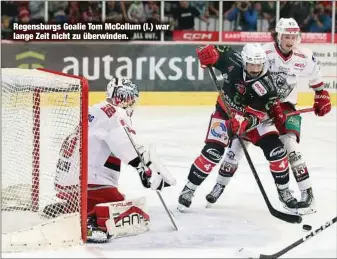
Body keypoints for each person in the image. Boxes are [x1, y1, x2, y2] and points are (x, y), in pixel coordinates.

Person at [207, 18, 331, 215]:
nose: (290, 40)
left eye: (294, 36)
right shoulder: (262, 52)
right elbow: (241, 70)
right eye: (286, 36)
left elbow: (316, 76)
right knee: (237, 146)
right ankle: (219, 185)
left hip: (287, 107)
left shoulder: (305, 56)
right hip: (257, 107)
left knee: (291, 146)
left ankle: (306, 192)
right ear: (278, 36)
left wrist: (321, 95)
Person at [50, 78, 176, 243]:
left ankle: (71, 207)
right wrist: (145, 171)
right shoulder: (115, 114)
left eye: (130, 97)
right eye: (126, 97)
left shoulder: (96, 109)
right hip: (88, 184)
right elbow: (126, 145)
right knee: (122, 206)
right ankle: (88, 220)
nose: (129, 101)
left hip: (67, 182)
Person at [177, 43, 297, 212]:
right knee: (213, 152)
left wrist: (244, 122)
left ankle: (284, 192)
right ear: (244, 61)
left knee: (277, 152)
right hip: (225, 112)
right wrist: (206, 54)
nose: (255, 68)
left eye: (259, 64)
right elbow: (212, 49)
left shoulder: (267, 87)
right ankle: (189, 189)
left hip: (253, 120)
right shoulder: (232, 60)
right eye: (252, 64)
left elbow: (256, 115)